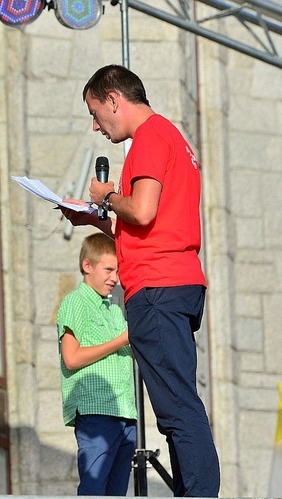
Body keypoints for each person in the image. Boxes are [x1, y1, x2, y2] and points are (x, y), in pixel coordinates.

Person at [61, 64, 220, 497]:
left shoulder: (149, 137)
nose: (96, 125)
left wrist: (105, 197)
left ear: (114, 99)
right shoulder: (172, 137)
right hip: (176, 280)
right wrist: (94, 222)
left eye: (96, 112)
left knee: (177, 409)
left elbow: (144, 210)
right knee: (177, 404)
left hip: (158, 289)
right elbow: (150, 228)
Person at [57, 233, 136, 496]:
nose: (114, 277)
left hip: (124, 412)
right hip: (96, 412)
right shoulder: (76, 302)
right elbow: (72, 357)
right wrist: (121, 340)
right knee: (94, 489)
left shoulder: (115, 309)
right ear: (87, 266)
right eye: (108, 269)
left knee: (116, 493)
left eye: (118, 270)